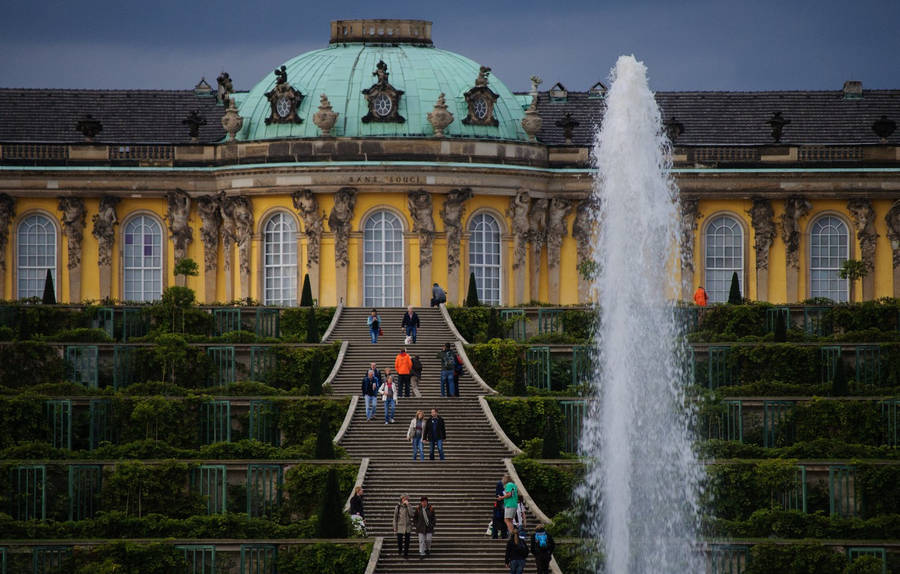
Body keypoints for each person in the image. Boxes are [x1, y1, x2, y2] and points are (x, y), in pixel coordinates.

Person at [393, 494, 415, 558]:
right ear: (402, 499)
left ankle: (406, 553)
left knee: (407, 541)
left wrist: (408, 505)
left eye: (406, 499)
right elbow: (395, 518)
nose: (405, 500)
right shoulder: (398, 507)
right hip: (400, 526)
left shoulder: (409, 506)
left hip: (407, 527)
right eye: (404, 499)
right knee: (400, 540)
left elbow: (411, 514)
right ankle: (400, 550)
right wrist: (395, 527)